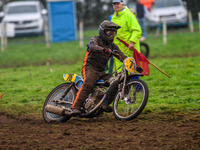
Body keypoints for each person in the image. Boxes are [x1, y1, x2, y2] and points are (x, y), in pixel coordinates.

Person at [69, 20, 127, 115]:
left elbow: (122, 56)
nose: (112, 35)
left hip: (101, 72)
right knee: (89, 83)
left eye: (113, 33)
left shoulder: (112, 46)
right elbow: (92, 46)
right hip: (89, 67)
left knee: (116, 82)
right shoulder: (95, 39)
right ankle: (76, 107)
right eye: (109, 32)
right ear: (103, 31)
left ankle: (104, 104)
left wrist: (133, 64)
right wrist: (103, 49)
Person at [110, 0, 142, 72]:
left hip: (129, 48)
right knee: (119, 72)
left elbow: (137, 30)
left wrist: (132, 42)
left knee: (132, 70)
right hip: (118, 49)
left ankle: (137, 83)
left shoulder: (129, 15)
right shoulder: (113, 17)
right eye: (114, 4)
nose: (116, 6)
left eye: (118, 4)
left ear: (122, 4)